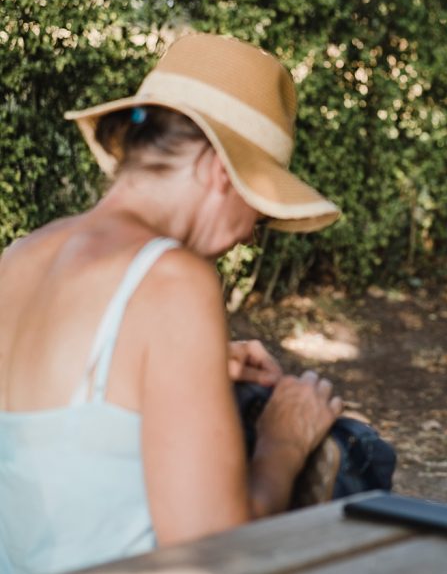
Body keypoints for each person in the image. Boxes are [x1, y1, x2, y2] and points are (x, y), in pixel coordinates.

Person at [0, 33, 345, 574]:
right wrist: (284, 442)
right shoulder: (172, 279)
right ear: (216, 170)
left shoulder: (18, 259)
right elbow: (211, 554)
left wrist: (186, 374)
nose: (250, 236)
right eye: (257, 207)